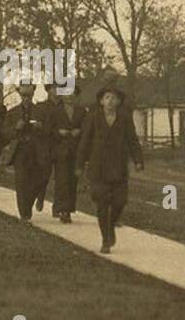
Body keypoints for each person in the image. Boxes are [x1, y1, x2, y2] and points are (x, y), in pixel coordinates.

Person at [76, 82, 143, 252]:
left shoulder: (124, 118)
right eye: (107, 98)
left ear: (119, 101)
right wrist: (79, 164)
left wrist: (138, 160)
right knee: (102, 204)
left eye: (114, 98)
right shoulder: (93, 118)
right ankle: (105, 239)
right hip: (98, 168)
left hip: (119, 168)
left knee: (120, 201)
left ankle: (111, 225)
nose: (111, 101)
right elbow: (84, 141)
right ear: (101, 101)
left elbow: (132, 140)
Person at [2, 81, 50, 222]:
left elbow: (49, 131)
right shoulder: (12, 113)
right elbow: (4, 133)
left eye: (29, 95)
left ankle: (30, 203)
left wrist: (41, 127)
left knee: (37, 180)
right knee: (21, 181)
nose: (26, 98)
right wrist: (16, 128)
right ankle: (24, 213)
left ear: (33, 93)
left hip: (37, 150)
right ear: (19, 94)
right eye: (24, 95)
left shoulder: (41, 112)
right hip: (20, 151)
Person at [45, 82, 86, 223]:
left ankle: (68, 209)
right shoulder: (55, 111)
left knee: (72, 181)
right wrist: (58, 132)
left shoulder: (82, 111)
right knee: (62, 180)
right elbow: (48, 130)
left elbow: (87, 129)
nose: (69, 96)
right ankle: (62, 210)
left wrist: (79, 131)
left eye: (72, 93)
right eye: (66, 92)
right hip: (60, 151)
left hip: (76, 151)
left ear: (76, 95)